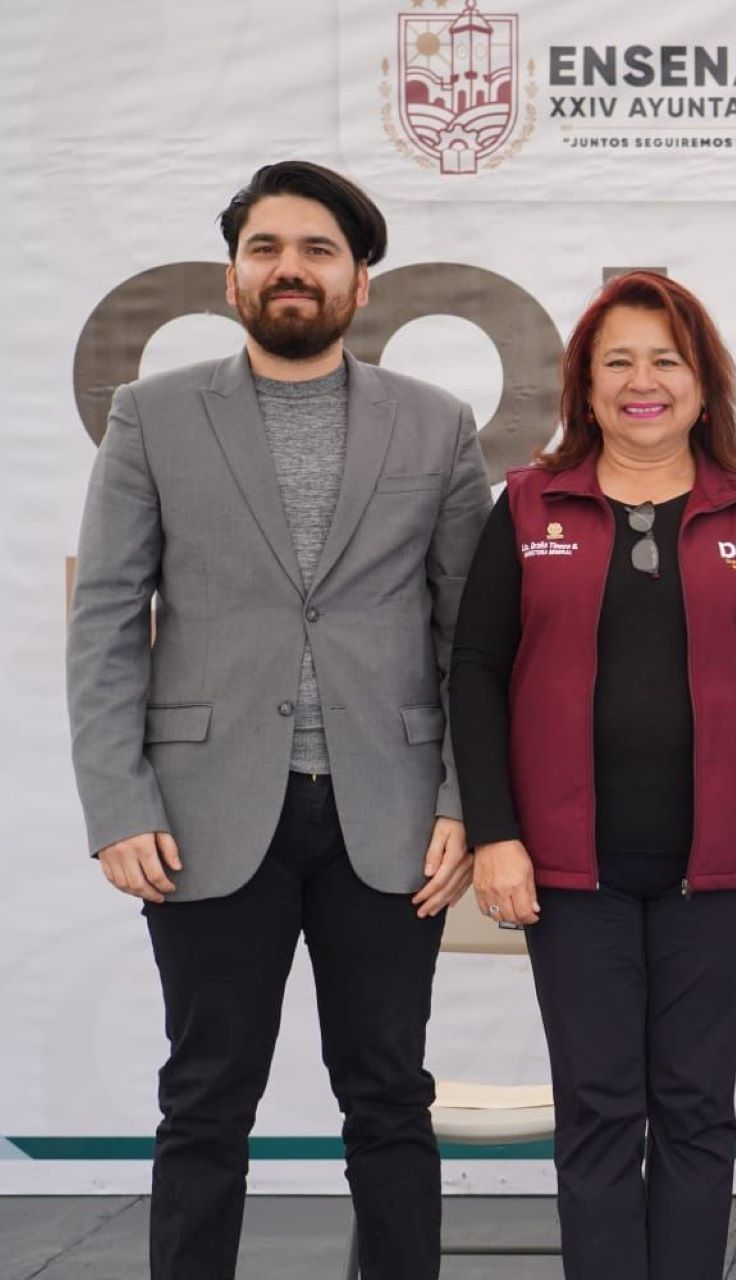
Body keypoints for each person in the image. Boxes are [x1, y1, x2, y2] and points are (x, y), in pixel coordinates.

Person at [65, 160, 491, 1279]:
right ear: (232, 273)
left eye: (316, 250)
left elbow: (472, 642)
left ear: (362, 281)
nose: (289, 269)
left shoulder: (439, 426)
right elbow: (107, 618)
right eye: (267, 248)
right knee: (205, 1100)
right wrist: (118, 802)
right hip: (204, 817)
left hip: (391, 817)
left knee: (390, 1095)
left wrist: (460, 800)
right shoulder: (151, 416)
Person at [449, 270, 736, 1279]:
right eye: (619, 362)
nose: (645, 381)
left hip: (718, 865)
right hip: (566, 868)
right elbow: (473, 669)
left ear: (703, 381)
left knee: (694, 1107)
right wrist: (496, 831)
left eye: (667, 360)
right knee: (599, 1107)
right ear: (584, 386)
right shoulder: (525, 504)